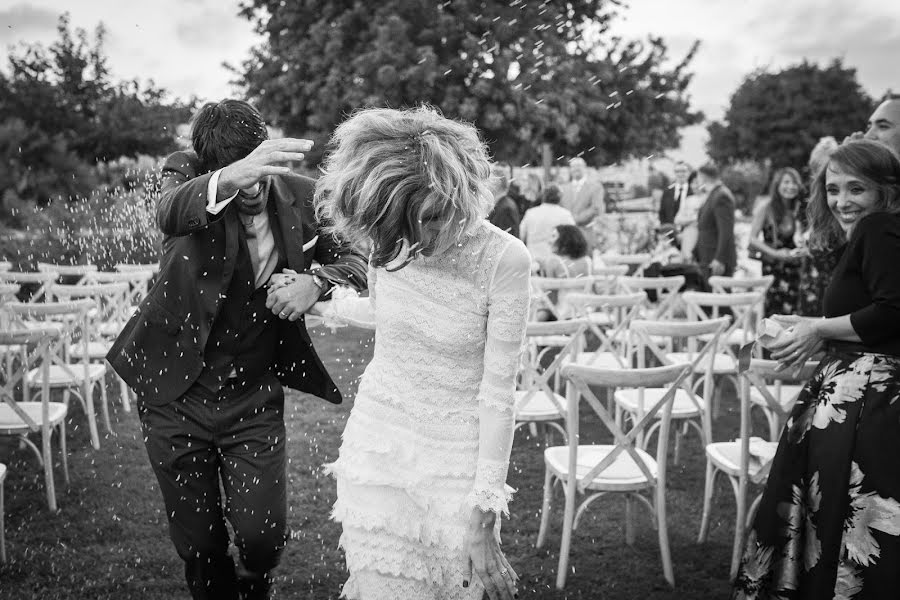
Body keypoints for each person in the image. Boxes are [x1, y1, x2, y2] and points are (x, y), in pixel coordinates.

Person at [106, 99, 368, 600]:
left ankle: (255, 582)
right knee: (200, 545)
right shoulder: (183, 175)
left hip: (253, 393)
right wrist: (226, 178)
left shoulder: (305, 195)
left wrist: (318, 281)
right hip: (173, 393)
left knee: (262, 537)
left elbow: (356, 257)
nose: (252, 187)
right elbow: (169, 213)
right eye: (239, 176)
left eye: (258, 171)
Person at [315, 106, 528, 600]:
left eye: (433, 218)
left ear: (464, 192)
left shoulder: (506, 261)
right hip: (378, 444)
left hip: (455, 460)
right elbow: (396, 314)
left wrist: (484, 510)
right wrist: (329, 305)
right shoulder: (391, 242)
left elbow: (499, 396)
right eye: (408, 224)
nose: (422, 239)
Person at [733, 140, 900, 599]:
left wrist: (818, 327)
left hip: (867, 407)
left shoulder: (881, 227)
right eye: (832, 189)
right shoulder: (877, 230)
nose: (842, 202)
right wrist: (814, 330)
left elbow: (893, 311)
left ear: (887, 190)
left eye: (856, 189)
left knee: (843, 527)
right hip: (857, 398)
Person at [748, 167, 807, 316]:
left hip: (795, 266)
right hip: (774, 266)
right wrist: (775, 253)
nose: (790, 186)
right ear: (777, 184)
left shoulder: (800, 208)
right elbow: (752, 239)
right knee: (774, 311)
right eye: (786, 182)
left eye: (794, 183)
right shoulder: (766, 207)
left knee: (794, 311)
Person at [535, 224, 592, 321]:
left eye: (553, 236)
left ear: (565, 240)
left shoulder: (554, 262)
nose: (549, 242)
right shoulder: (588, 261)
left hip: (561, 315)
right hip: (585, 314)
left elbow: (551, 298)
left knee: (535, 313)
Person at [693, 162, 737, 277]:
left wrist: (719, 259)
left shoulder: (721, 196)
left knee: (720, 294)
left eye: (698, 177)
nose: (697, 181)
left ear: (703, 177)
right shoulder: (713, 194)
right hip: (707, 256)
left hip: (715, 259)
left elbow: (726, 231)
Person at [519, 184, 576, 259]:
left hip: (533, 259)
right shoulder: (565, 215)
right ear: (560, 198)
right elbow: (573, 238)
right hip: (557, 260)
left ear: (543, 196)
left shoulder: (531, 213)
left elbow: (521, 235)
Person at [560, 157, 605, 248]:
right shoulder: (563, 188)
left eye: (579, 166)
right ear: (570, 169)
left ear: (585, 168)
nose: (576, 168)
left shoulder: (595, 187)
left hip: (586, 233)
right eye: (573, 166)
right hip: (566, 235)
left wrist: (574, 220)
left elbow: (595, 208)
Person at [487, 163, 520, 237]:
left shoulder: (506, 208)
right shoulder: (502, 204)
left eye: (489, 182)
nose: (486, 186)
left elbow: (505, 239)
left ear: (495, 183)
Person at [658, 161, 691, 227]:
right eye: (677, 171)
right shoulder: (667, 192)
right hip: (671, 231)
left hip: (689, 231)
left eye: (683, 171)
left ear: (689, 173)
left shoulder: (693, 191)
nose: (680, 174)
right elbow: (662, 213)